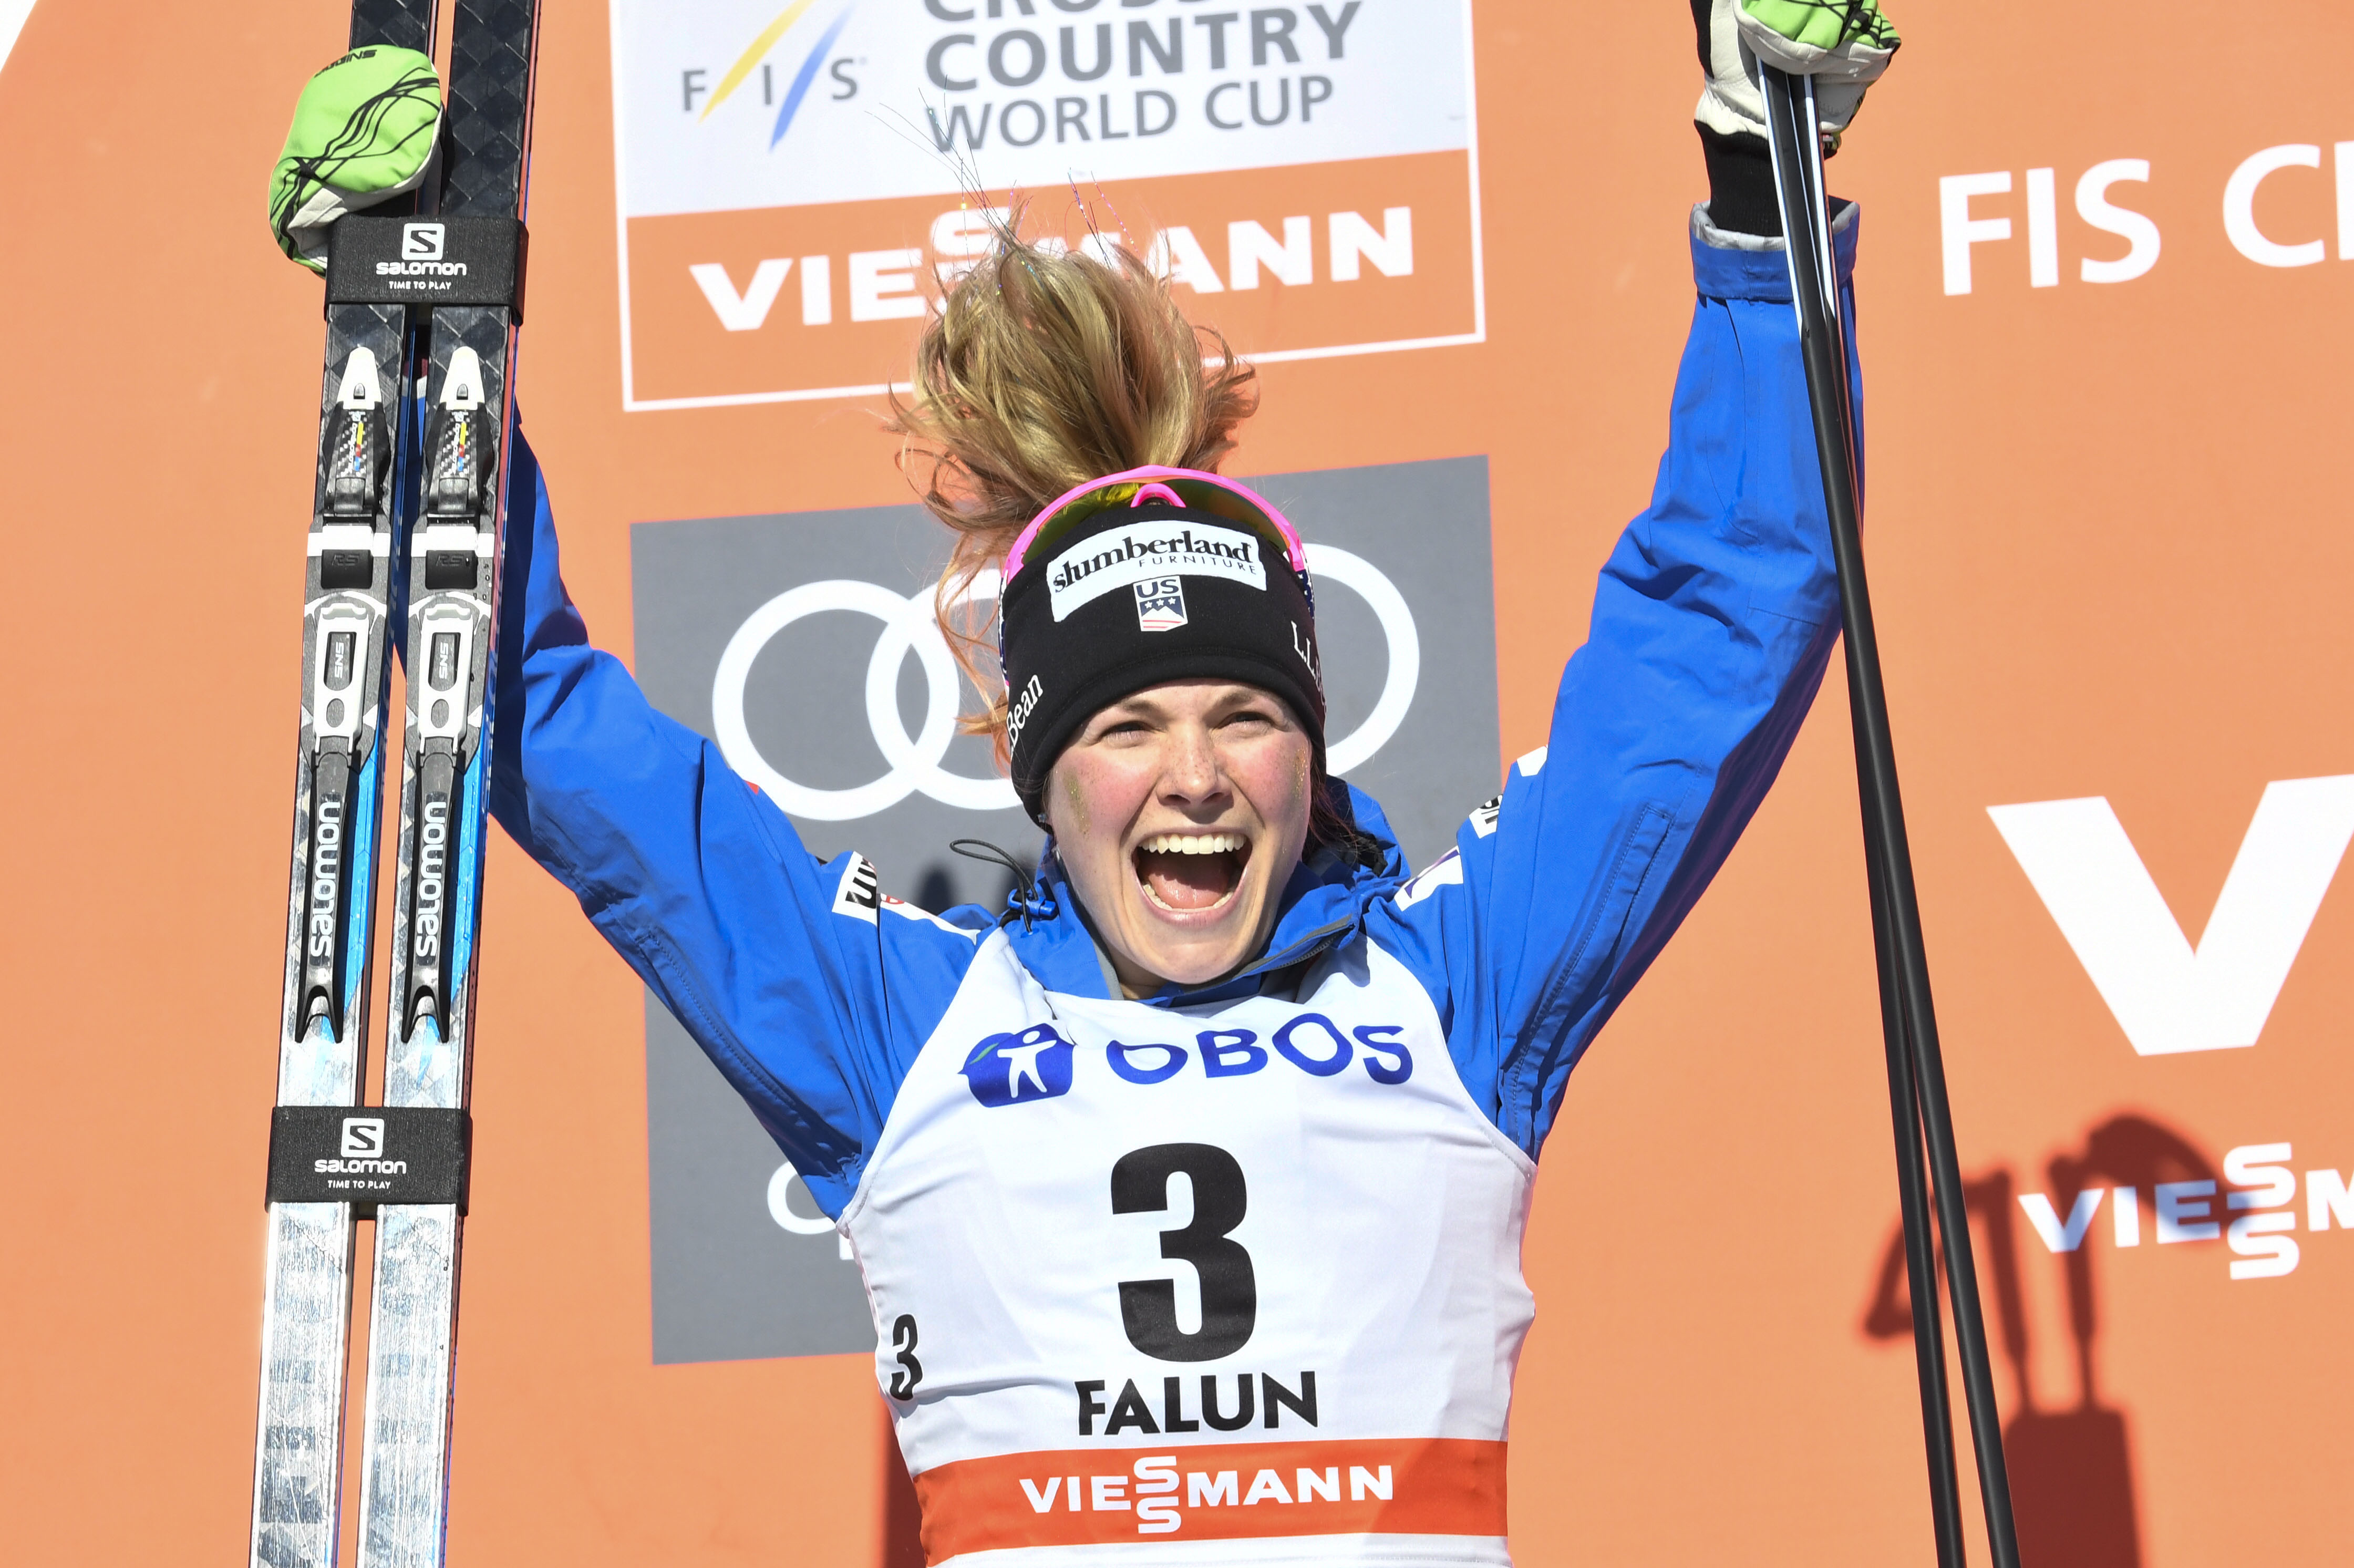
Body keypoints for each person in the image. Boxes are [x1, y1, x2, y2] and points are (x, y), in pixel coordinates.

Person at [274, 2, 1895, 1561]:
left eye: (1244, 714)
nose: (1193, 779)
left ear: (1311, 748)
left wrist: (1764, 190)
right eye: (1125, 731)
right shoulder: (901, 1033)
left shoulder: (1455, 989)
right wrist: (417, 346)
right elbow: (541, 715)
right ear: (1039, 771)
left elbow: (1721, 630)